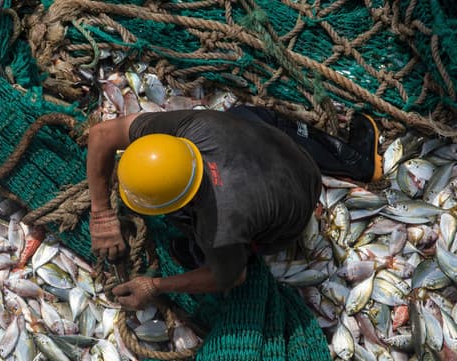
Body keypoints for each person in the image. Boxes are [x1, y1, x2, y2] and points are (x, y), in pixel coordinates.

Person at [86, 105, 382, 310]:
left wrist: (156, 286)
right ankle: (351, 158)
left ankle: (218, 248)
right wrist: (101, 215)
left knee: (196, 249)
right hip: (283, 153)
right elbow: (102, 135)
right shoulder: (191, 128)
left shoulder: (220, 225)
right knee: (242, 115)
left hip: (294, 209)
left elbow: (229, 277)